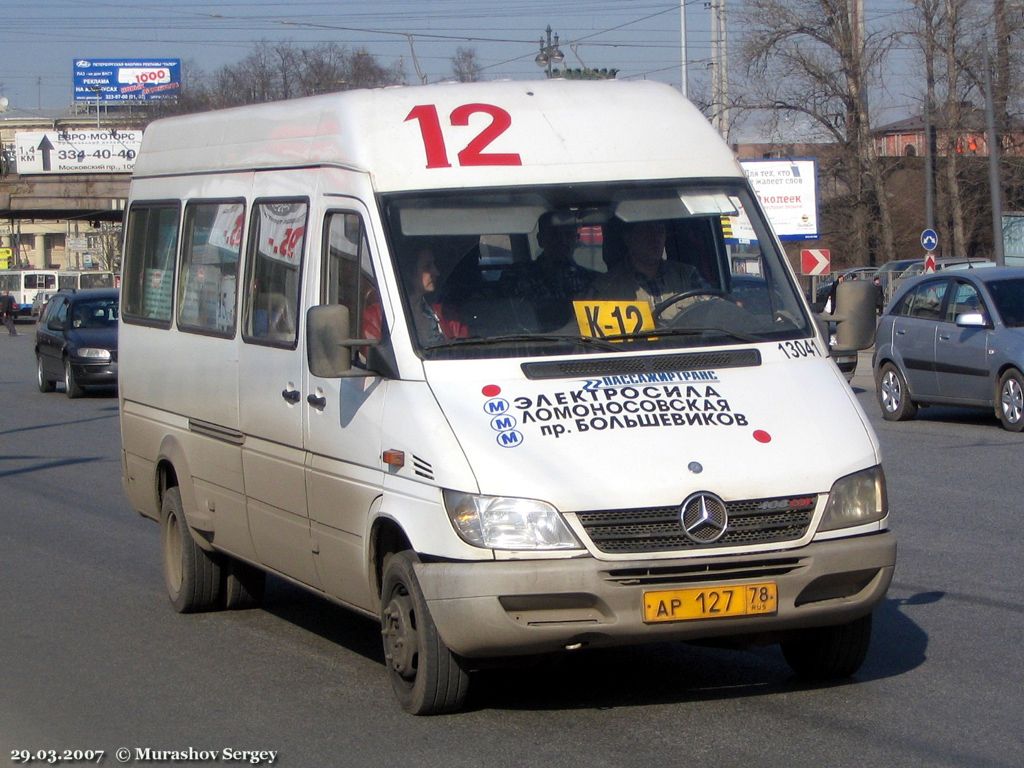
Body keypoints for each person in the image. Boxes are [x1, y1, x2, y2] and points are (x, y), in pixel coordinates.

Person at [591, 220, 707, 320]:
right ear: (628, 238)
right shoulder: (604, 288)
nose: (655, 238)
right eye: (646, 231)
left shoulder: (687, 276)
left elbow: (715, 312)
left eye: (660, 231)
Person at [364, 246, 468, 346]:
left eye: (434, 265)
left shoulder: (446, 313)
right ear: (408, 272)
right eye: (427, 267)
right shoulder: (376, 317)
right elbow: (378, 359)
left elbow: (464, 351)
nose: (436, 272)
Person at [506, 214, 596, 328]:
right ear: (541, 240)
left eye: (568, 234)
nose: (563, 241)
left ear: (576, 239)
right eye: (554, 235)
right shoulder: (517, 276)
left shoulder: (591, 281)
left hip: (587, 344)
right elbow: (510, 317)